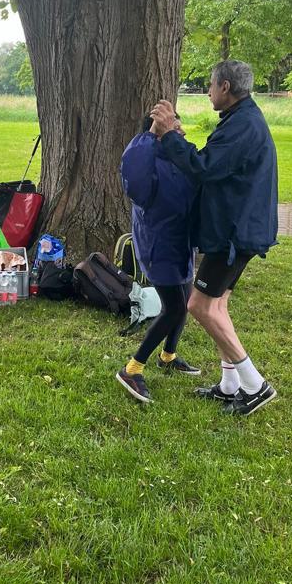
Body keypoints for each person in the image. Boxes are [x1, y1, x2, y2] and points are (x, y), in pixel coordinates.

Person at [150, 60, 278, 416]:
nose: (207, 92)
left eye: (210, 85)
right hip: (239, 229)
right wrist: (178, 138)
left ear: (224, 87)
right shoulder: (241, 118)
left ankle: (255, 385)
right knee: (217, 306)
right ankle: (229, 385)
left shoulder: (243, 125)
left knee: (199, 306)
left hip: (234, 233)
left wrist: (169, 136)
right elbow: (215, 162)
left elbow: (204, 167)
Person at [115, 113, 200, 404]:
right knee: (174, 308)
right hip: (159, 245)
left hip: (181, 243)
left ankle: (168, 355)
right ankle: (132, 368)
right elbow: (135, 177)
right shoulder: (146, 160)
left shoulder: (176, 158)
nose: (183, 132)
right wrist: (152, 132)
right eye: (175, 128)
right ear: (157, 135)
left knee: (184, 302)